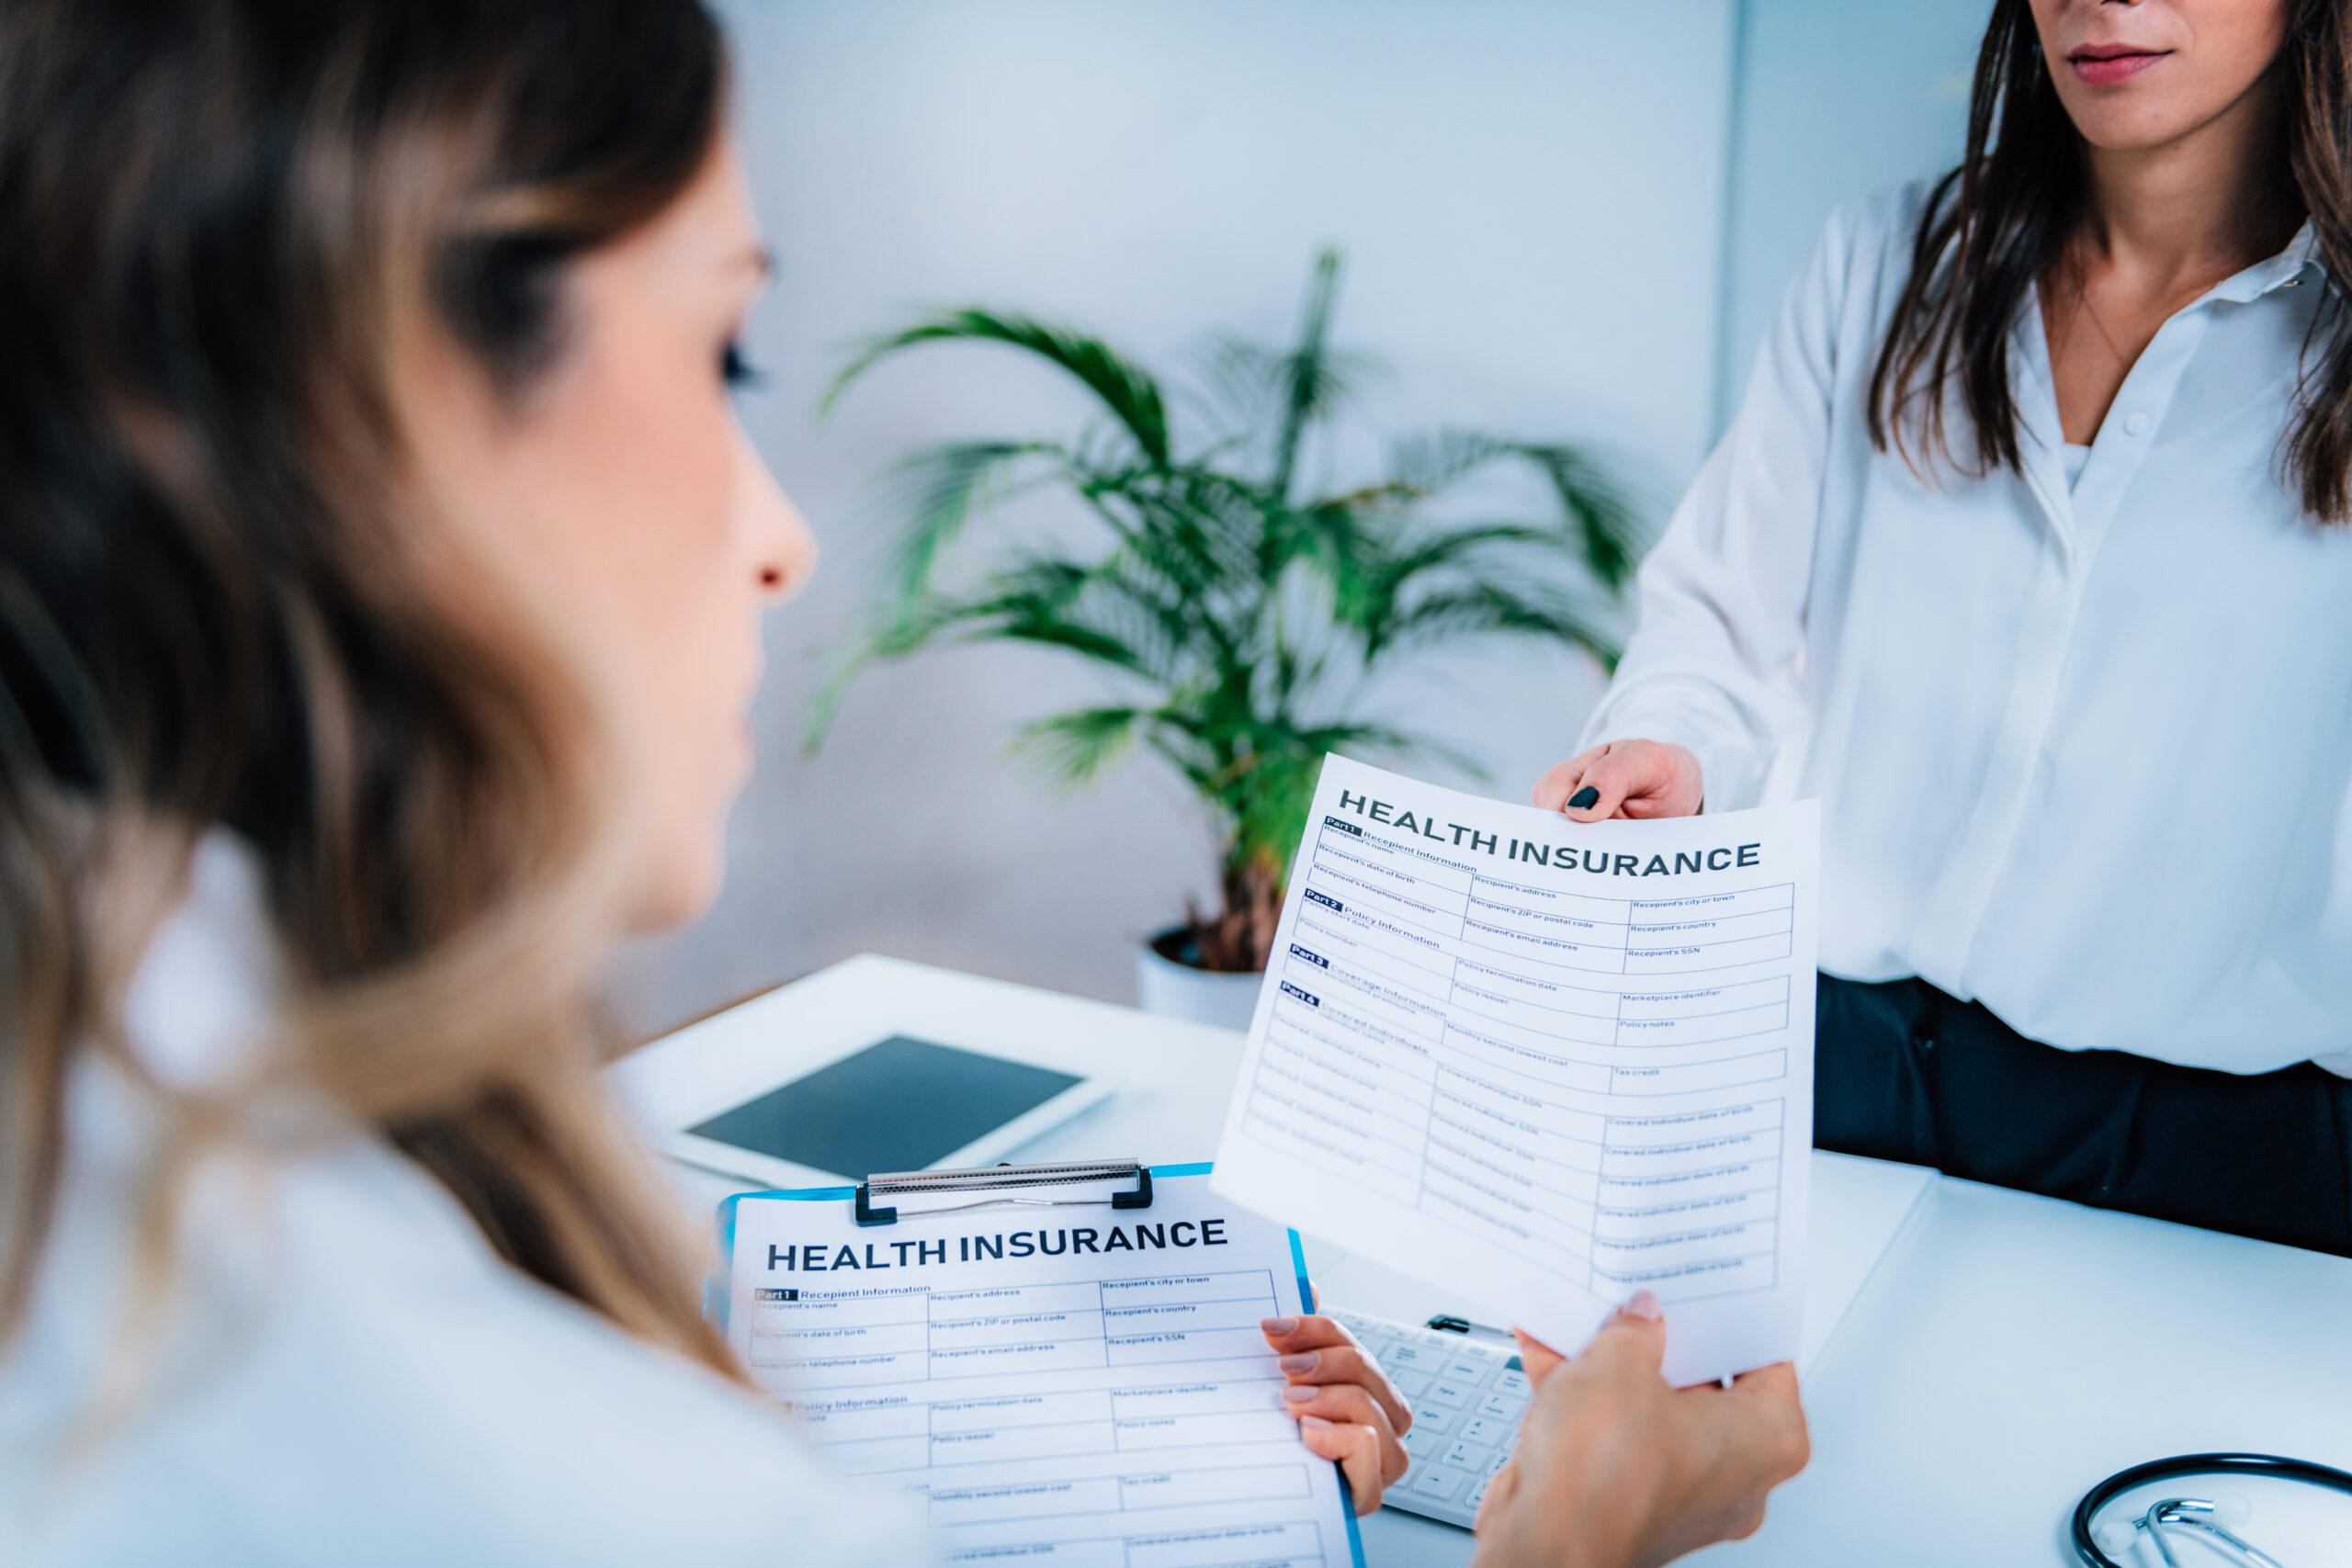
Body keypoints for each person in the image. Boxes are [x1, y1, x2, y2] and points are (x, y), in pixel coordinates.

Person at [0, 2, 1805, 1562]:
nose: (780, 537)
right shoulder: (529, 1460)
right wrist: (1572, 1536)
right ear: (373, 435)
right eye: (720, 352)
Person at [1538, 0, 2352, 1254]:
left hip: (2226, 1155)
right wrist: (1671, 750)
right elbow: (1715, 623)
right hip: (1827, 1063)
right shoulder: (1888, 258)